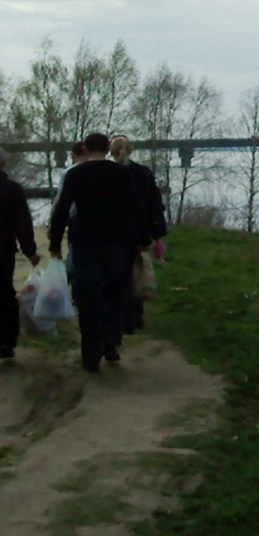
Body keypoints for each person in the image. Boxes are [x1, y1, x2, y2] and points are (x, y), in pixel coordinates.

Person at [48, 133, 144, 372]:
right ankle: (111, 343)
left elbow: (62, 209)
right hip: (117, 244)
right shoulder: (121, 173)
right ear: (107, 148)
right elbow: (134, 206)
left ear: (87, 148)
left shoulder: (76, 174)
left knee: (87, 298)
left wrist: (54, 243)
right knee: (114, 294)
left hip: (85, 244)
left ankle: (90, 355)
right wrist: (142, 240)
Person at [110, 135, 167, 334]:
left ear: (111, 151)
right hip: (138, 234)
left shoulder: (108, 174)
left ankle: (118, 315)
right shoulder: (143, 173)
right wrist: (158, 234)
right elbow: (155, 205)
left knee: (116, 275)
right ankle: (135, 317)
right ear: (131, 150)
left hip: (113, 234)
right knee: (137, 273)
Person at [0, 148, 42, 359]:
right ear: (3, 164)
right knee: (5, 293)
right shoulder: (13, 190)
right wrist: (31, 251)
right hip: (3, 250)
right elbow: (23, 224)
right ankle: (6, 340)